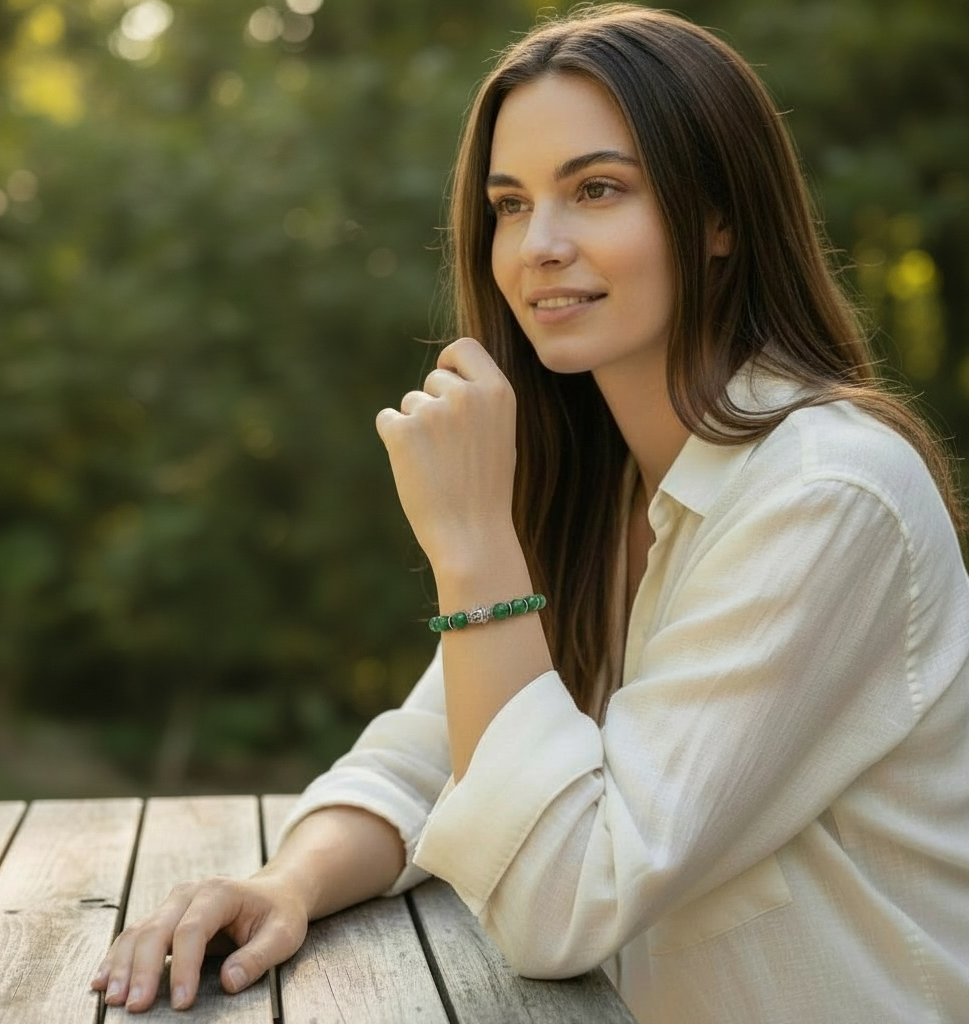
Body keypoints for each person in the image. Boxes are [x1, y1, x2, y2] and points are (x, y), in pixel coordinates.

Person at [91, 5, 969, 1021]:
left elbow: (561, 901)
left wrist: (473, 552)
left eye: (596, 190)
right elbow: (432, 754)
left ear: (721, 216)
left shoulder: (826, 494)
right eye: (510, 204)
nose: (539, 245)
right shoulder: (600, 483)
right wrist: (286, 881)